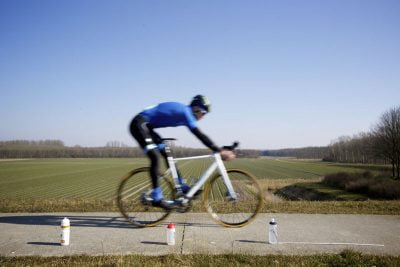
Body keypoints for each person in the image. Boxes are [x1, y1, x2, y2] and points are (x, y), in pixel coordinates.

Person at [129, 95, 235, 208]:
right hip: (139, 124)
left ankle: (181, 186)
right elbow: (199, 135)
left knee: (166, 152)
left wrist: (220, 148)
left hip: (147, 127)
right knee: (154, 156)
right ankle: (156, 197)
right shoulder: (186, 112)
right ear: (196, 108)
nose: (203, 117)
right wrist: (219, 150)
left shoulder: (186, 113)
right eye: (203, 113)